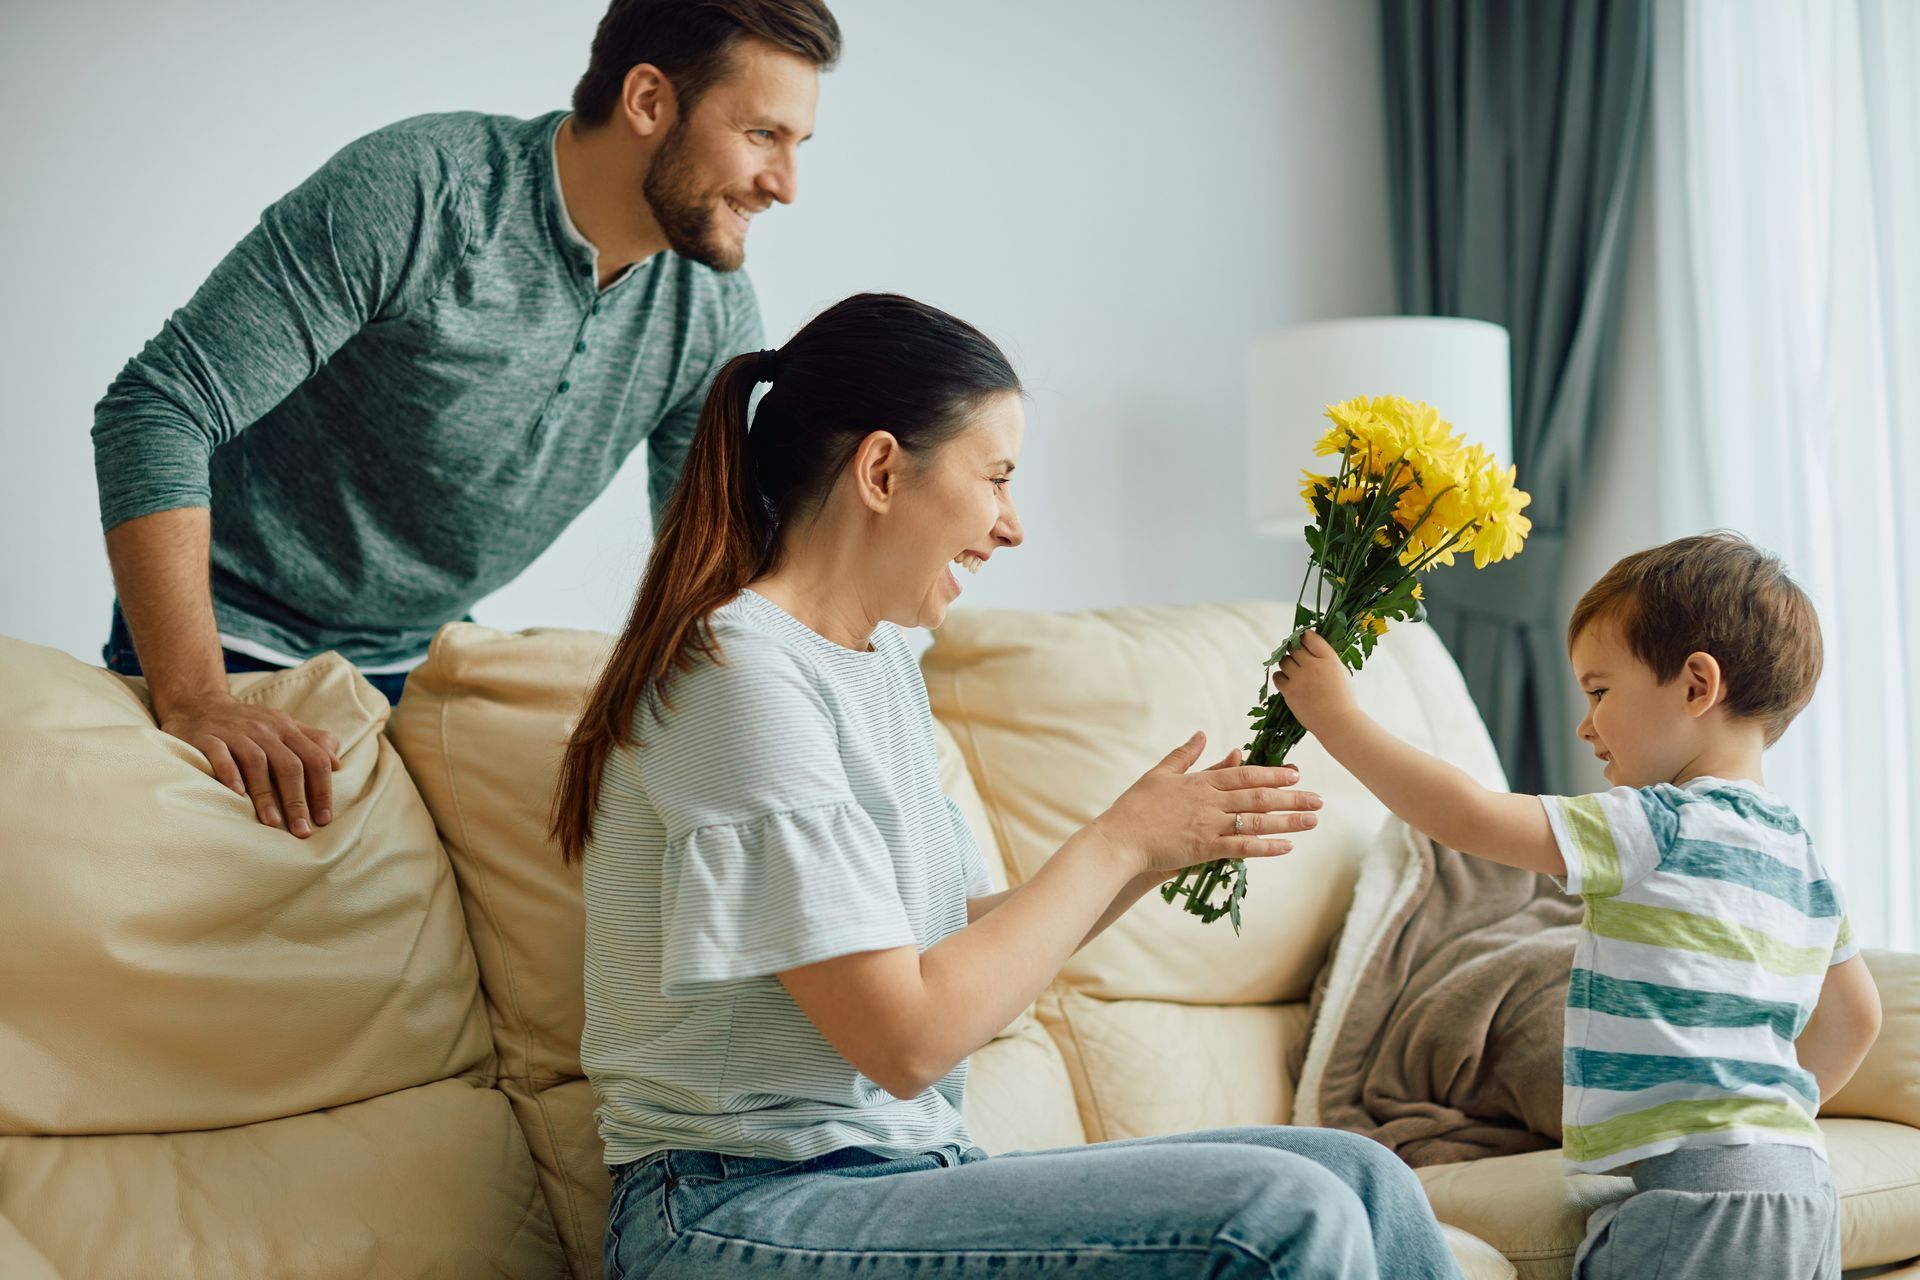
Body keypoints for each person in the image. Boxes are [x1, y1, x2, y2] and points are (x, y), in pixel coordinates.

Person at [549, 292, 1467, 1278]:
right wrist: (1116, 840)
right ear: (882, 469)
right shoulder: (735, 673)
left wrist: (1159, 847)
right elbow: (906, 1037)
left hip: (905, 1171)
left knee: (1360, 1173)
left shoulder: (882, 664)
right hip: (732, 1203)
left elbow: (939, 944)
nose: (1011, 524)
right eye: (995, 477)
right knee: (1280, 1212)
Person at [91, 0, 839, 838]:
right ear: (648, 100)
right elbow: (157, 407)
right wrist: (196, 699)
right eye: (762, 136)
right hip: (232, 638)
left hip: (431, 658)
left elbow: (710, 558)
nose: (784, 185)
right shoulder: (423, 189)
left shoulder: (709, 308)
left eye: (797, 146)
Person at [1272, 531, 1885, 1279]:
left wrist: (1336, 719)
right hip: (1803, 1189)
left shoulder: (1654, 822)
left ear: (1697, 686)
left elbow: (1467, 817)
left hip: (1701, 1196)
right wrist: (1764, 1122)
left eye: (1599, 691)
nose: (1584, 725)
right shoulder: (1804, 856)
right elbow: (1858, 1018)